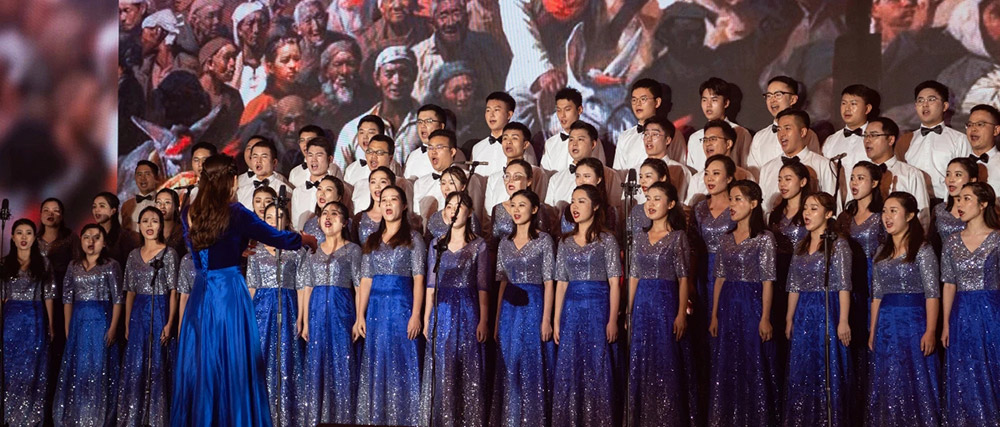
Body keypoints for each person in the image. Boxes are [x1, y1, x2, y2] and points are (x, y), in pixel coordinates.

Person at [171, 154, 315, 425]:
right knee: (233, 360)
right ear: (229, 180)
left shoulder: (188, 210)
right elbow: (276, 236)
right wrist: (305, 239)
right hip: (228, 292)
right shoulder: (235, 212)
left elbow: (206, 246)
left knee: (203, 360)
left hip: (201, 292)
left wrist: (237, 246)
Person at [626, 181, 698, 426]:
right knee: (641, 359)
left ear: (671, 204)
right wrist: (629, 310)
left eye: (657, 199)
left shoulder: (678, 237)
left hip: (666, 303)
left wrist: (681, 314)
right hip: (642, 304)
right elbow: (634, 275)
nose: (651, 203)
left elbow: (683, 278)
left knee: (667, 360)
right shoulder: (639, 237)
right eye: (648, 198)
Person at [708, 180, 779, 426]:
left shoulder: (765, 238)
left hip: (752, 304)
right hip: (728, 304)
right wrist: (714, 315)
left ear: (754, 203)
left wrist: (765, 317)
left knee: (752, 360)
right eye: (731, 199)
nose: (732, 204)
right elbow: (719, 279)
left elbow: (768, 280)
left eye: (738, 199)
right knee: (727, 362)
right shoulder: (725, 238)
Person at [868, 192, 942, 425]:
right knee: (888, 379)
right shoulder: (880, 252)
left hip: (914, 323)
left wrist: (930, 331)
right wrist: (872, 331)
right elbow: (876, 295)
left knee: (916, 378)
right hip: (886, 326)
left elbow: (932, 293)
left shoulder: (923, 249)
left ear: (909, 215)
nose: (887, 217)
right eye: (884, 211)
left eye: (893, 211)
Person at [354, 185, 426, 426]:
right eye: (384, 199)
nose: (387, 204)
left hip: (402, 307)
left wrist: (416, 315)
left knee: (402, 362)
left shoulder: (413, 238)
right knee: (378, 362)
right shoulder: (372, 239)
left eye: (393, 199)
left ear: (403, 206)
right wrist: (360, 315)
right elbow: (365, 280)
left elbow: (419, 278)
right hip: (375, 310)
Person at [552, 184, 622, 426]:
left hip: (598, 309)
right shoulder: (564, 242)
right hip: (571, 311)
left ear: (596, 206)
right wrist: (556, 320)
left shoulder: (607, 240)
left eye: (581, 201)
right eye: (573, 201)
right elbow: (561, 284)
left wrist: (613, 319)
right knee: (571, 366)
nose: (575, 206)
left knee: (598, 366)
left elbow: (614, 283)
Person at [420, 191, 490, 426]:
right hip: (441, 311)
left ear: (469, 213)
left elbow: (482, 286)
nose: (453, 211)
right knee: (442, 367)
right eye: (449, 206)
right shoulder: (436, 244)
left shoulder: (478, 245)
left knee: (467, 367)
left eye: (458, 207)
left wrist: (483, 320)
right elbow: (431, 285)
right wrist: (427, 318)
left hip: (468, 310)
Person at [782, 193, 852, 425]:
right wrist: (789, 318)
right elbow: (794, 285)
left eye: (814, 208)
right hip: (803, 313)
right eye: (805, 208)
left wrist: (843, 320)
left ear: (828, 213)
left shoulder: (838, 244)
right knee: (802, 367)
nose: (807, 213)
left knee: (826, 367)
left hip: (827, 310)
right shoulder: (801, 245)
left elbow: (844, 285)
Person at [491, 189, 555, 426]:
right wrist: (497, 320)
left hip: (534, 305)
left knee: (531, 362)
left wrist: (546, 319)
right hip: (509, 308)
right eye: (513, 205)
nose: (516, 210)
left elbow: (549, 282)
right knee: (510, 362)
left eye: (522, 205)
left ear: (534, 209)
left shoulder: (543, 240)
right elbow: (502, 282)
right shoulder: (504, 243)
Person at [941, 182, 1000, 425]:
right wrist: (946, 324)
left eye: (967, 199)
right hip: (961, 314)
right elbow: (949, 284)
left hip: (992, 313)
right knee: (963, 371)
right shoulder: (952, 241)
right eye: (958, 199)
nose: (960, 204)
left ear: (983, 203)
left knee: (992, 369)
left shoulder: (997, 239)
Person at [297, 201, 361, 425]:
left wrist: (359, 319)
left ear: (344, 223)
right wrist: (305, 321)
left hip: (342, 310)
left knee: (341, 362)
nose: (328, 217)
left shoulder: (353, 250)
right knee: (317, 363)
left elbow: (359, 286)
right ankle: (316, 419)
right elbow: (307, 287)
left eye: (334, 214)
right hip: (316, 311)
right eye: (325, 213)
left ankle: (341, 418)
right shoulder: (312, 251)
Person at [52, 225, 122, 425]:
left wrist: (113, 327)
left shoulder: (111, 265)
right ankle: (77, 415)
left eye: (96, 237)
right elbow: (67, 298)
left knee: (99, 367)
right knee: (79, 367)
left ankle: (98, 416)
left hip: (102, 320)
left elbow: (118, 299)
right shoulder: (73, 265)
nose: (91, 241)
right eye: (86, 237)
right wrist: (68, 327)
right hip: (79, 321)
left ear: (104, 242)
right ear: (81, 241)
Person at [246, 203, 305, 426]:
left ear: (287, 221)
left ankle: (287, 415)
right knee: (261, 356)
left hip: (288, 307)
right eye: (269, 217)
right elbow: (251, 286)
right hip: (261, 309)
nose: (273, 221)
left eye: (278, 216)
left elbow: (302, 286)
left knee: (287, 357)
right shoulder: (255, 251)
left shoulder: (296, 250)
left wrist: (301, 317)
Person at [119, 206, 178, 426]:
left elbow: (174, 291)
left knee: (159, 362)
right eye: (145, 221)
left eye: (154, 221)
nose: (149, 225)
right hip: (138, 314)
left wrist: (170, 322)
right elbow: (130, 292)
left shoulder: (169, 254)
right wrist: (127, 323)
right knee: (137, 362)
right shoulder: (133, 256)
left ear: (161, 225)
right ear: (139, 226)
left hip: (160, 309)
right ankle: (136, 415)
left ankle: (157, 416)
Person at [0, 219, 55, 426]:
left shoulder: (44, 262)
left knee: (33, 366)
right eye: (19, 233)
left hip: (35, 317)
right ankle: (8, 416)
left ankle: (30, 417)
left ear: (34, 238)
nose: (24, 237)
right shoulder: (4, 263)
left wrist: (51, 324)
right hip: (11, 319)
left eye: (29, 233)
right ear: (13, 237)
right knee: (10, 366)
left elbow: (48, 295)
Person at [335, 46, 421, 169]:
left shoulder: (431, 126)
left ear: (414, 75)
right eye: (389, 74)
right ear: (377, 78)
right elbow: (337, 177)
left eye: (404, 73)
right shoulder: (352, 130)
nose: (397, 81)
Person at [901, 81, 971, 201]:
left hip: (947, 204)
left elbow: (966, 178)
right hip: (913, 205)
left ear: (945, 106)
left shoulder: (959, 140)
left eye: (931, 99)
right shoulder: (907, 140)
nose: (925, 105)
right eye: (920, 100)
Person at [759, 109, 838, 213]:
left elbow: (833, 208)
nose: (781, 134)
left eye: (787, 128)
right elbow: (763, 209)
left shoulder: (823, 165)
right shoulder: (767, 168)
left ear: (802, 132)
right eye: (779, 129)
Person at [747, 76, 821, 178]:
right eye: (769, 96)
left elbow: (815, 168)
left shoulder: (808, 135)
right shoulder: (759, 137)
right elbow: (753, 175)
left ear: (793, 99)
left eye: (778, 95)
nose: (772, 100)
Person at [861, 117, 931, 220]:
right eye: (865, 135)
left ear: (890, 140)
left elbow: (922, 216)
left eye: (874, 135)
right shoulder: (860, 173)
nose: (867, 140)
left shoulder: (911, 174)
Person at [545, 121, 622, 211]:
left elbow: (617, 211)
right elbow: (549, 213)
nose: (574, 144)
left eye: (580, 139)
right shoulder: (556, 179)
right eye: (571, 139)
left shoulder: (610, 175)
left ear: (593, 144)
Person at [615, 78, 685, 172]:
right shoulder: (625, 136)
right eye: (634, 100)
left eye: (643, 99)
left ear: (657, 102)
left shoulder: (673, 134)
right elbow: (618, 173)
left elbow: (680, 169)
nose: (638, 104)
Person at [686, 77, 752, 172]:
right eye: (704, 100)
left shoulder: (741, 133)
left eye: (714, 100)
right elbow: (691, 173)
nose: (708, 105)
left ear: (726, 103)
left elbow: (747, 169)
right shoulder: (695, 138)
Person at [483, 122, 548, 216]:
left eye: (514, 138)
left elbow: (539, 206)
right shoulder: (494, 177)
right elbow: (488, 215)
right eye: (505, 138)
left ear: (525, 144)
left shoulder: (537, 173)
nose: (508, 142)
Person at [685, 121, 756, 206]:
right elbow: (689, 208)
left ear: (728, 144)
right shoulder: (697, 180)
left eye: (713, 139)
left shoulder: (745, 176)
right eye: (705, 140)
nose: (708, 144)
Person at [539, 88, 607, 172]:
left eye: (567, 109)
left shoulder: (591, 140)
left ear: (579, 110)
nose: (562, 115)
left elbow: (599, 172)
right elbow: (544, 176)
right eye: (559, 110)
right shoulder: (550, 144)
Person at [629, 116, 693, 205]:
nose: (649, 139)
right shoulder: (635, 170)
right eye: (646, 134)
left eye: (655, 134)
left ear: (667, 140)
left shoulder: (680, 171)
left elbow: (685, 204)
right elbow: (626, 205)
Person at [471, 92, 538, 177]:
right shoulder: (477, 148)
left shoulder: (521, 145)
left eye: (496, 110)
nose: (491, 115)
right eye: (488, 110)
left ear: (509, 114)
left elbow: (530, 176)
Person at [823, 85, 880, 177]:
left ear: (867, 109)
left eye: (853, 104)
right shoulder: (831, 140)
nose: (847, 108)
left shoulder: (878, 139)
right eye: (844, 103)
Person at [490, 162, 554, 239]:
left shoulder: (538, 208)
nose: (510, 180)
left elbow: (545, 240)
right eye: (507, 176)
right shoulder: (497, 209)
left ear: (529, 181)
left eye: (516, 176)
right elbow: (493, 241)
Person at [346, 135, 408, 214]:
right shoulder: (359, 185)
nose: (373, 156)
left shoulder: (402, 184)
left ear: (390, 158)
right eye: (370, 151)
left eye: (379, 153)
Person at [424, 166, 483, 240]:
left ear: (463, 187)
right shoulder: (434, 218)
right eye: (443, 183)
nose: (446, 188)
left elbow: (476, 243)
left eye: (451, 183)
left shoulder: (469, 217)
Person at [230, 1, 271, 105]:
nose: (256, 30)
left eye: (262, 23)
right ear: (239, 30)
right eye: (250, 24)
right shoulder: (231, 66)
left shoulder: (273, 63)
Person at [237, 138, 292, 210]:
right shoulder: (243, 190)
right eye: (255, 156)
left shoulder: (284, 190)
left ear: (274, 162)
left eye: (264, 157)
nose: (258, 161)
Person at [933, 158, 976, 244]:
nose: (951, 179)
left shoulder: (979, 209)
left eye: (958, 175)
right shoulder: (939, 210)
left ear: (972, 180)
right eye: (948, 174)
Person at [92, 192, 140, 268]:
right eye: (94, 206)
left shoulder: (124, 237)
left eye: (102, 206)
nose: (96, 210)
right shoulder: (90, 234)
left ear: (113, 211)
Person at [625, 159, 669, 236]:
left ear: (662, 178)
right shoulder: (637, 211)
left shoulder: (672, 209)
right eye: (641, 177)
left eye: (648, 176)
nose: (642, 181)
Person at [301, 175, 347, 243]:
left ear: (338, 197)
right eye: (319, 189)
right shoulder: (309, 224)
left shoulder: (347, 223)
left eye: (328, 190)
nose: (322, 194)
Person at [965, 104, 1000, 193]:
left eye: (980, 124)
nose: (973, 129)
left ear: (996, 130)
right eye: (970, 125)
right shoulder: (959, 164)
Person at [122, 160, 162, 232]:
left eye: (147, 174)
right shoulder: (127, 206)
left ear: (156, 178)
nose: (143, 178)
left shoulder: (164, 204)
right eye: (139, 174)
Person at [155, 188, 187, 257]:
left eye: (167, 202)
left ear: (176, 206)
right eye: (158, 202)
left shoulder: (183, 231)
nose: (162, 206)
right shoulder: (151, 230)